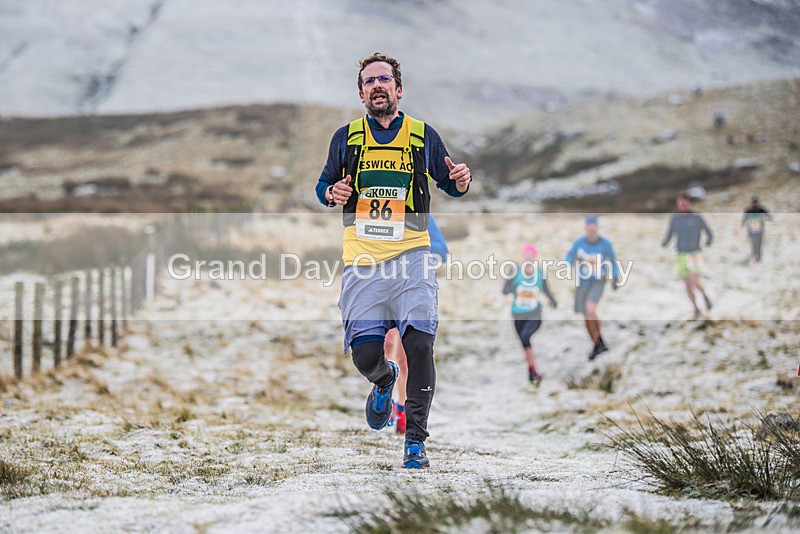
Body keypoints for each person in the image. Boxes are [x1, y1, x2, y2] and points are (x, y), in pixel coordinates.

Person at [315, 52, 471, 469]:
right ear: (362, 93)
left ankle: (416, 441)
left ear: (398, 90)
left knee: (420, 346)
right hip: (363, 262)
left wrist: (461, 182)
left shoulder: (422, 136)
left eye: (385, 79)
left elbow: (450, 183)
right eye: (369, 81)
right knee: (365, 356)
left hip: (412, 258)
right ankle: (384, 380)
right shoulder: (346, 138)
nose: (377, 85)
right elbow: (324, 185)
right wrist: (333, 194)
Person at [387, 215, 448, 434]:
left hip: (412, 294)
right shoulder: (380, 212)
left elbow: (442, 251)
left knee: (403, 359)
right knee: (383, 351)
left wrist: (417, 254)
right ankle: (386, 401)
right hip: (382, 291)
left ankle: (401, 410)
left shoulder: (421, 215)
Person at [565, 216, 620, 361]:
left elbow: (613, 262)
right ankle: (597, 342)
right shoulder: (579, 243)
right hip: (582, 283)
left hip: (598, 282)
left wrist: (615, 277)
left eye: (593, 228)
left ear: (597, 228)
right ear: (586, 229)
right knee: (586, 317)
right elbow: (569, 257)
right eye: (588, 228)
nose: (591, 231)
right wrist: (568, 264)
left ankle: (599, 340)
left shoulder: (605, 244)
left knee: (591, 309)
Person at [502, 244, 557, 386]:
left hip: (534, 315)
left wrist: (553, 301)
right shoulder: (514, 272)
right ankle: (533, 372)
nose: (528, 259)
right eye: (525, 257)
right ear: (522, 258)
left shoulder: (539, 273)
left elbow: (546, 290)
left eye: (530, 257)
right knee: (525, 344)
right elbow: (504, 291)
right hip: (518, 315)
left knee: (526, 337)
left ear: (534, 258)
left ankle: (533, 372)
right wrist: (515, 285)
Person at [662, 192, 714, 319]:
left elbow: (708, 231)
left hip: (694, 253)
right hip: (681, 254)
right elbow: (670, 232)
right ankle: (696, 308)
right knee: (686, 284)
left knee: (694, 281)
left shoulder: (696, 217)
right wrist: (665, 242)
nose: (682, 206)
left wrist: (708, 240)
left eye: (684, 204)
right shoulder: (675, 218)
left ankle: (705, 295)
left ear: (689, 203)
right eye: (680, 204)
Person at [742, 195, 772, 263]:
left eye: (755, 201)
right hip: (751, 230)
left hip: (759, 231)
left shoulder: (761, 209)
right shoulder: (748, 210)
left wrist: (764, 217)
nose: (754, 203)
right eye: (753, 201)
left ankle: (758, 258)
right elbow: (744, 219)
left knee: (759, 244)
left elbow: (769, 216)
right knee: (753, 244)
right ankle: (754, 257)